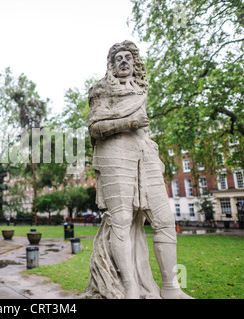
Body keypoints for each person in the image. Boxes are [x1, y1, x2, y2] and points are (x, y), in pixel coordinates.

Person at [85, 40, 192, 299]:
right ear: (111, 65)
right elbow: (95, 128)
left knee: (164, 220)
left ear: (135, 64)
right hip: (114, 156)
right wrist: (129, 122)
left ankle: (170, 287)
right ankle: (130, 287)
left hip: (145, 156)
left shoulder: (141, 89)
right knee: (120, 221)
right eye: (118, 58)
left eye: (128, 58)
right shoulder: (101, 90)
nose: (123, 61)